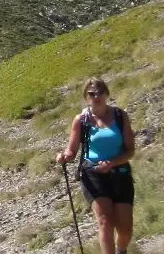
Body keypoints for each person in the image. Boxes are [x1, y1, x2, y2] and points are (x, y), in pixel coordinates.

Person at [56, 77, 135, 254]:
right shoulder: (81, 120)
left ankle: (121, 250)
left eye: (100, 92)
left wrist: (112, 163)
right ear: (86, 97)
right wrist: (64, 156)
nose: (96, 96)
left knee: (125, 229)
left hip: (120, 172)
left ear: (107, 94)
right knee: (104, 221)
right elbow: (72, 150)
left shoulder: (120, 116)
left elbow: (130, 151)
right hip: (93, 173)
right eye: (91, 93)